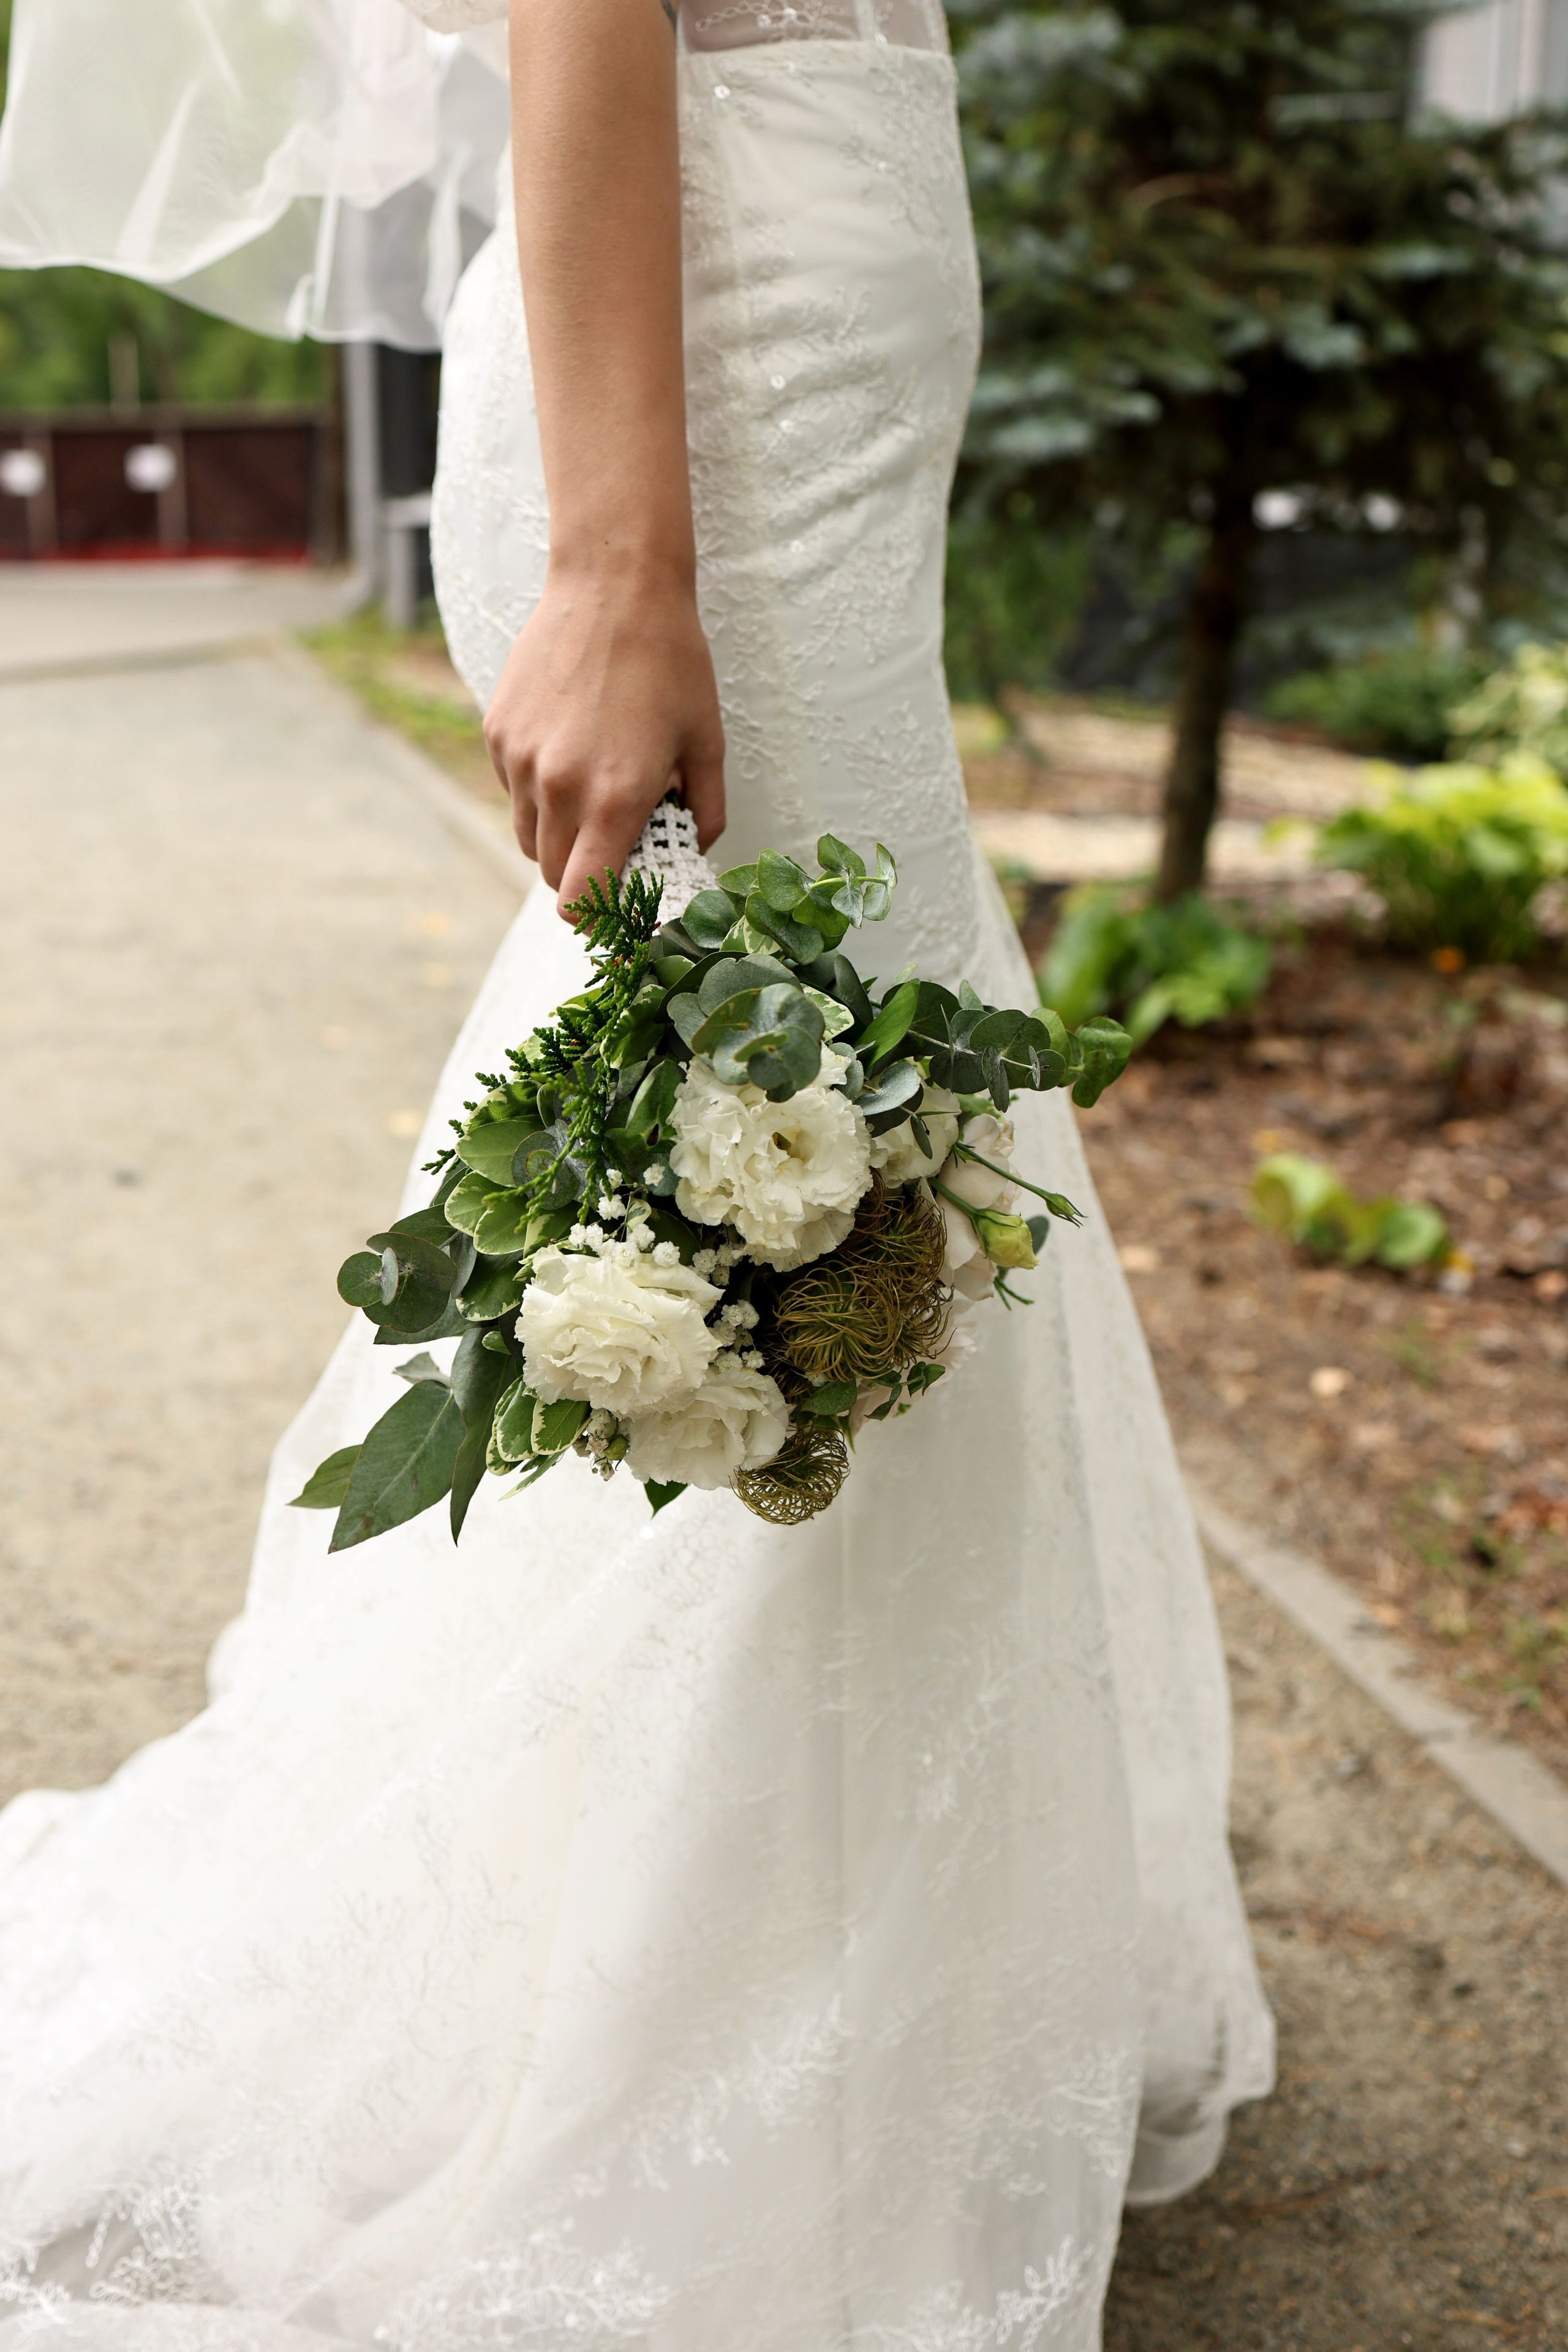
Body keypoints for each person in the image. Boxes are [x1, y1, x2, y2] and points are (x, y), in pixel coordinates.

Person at [0, 3, 1273, 2345]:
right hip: (700, 397)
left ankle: (776, 1962)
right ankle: (685, 2029)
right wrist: (614, 563)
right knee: (791, 1162)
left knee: (853, 1145)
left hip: (779, 361)